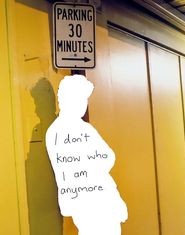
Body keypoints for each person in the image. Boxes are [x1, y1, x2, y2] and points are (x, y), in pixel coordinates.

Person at [45, 75, 128, 235]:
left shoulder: (61, 130)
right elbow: (107, 157)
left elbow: (105, 157)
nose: (85, 104)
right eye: (82, 99)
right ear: (70, 100)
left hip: (89, 200)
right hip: (93, 203)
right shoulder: (74, 130)